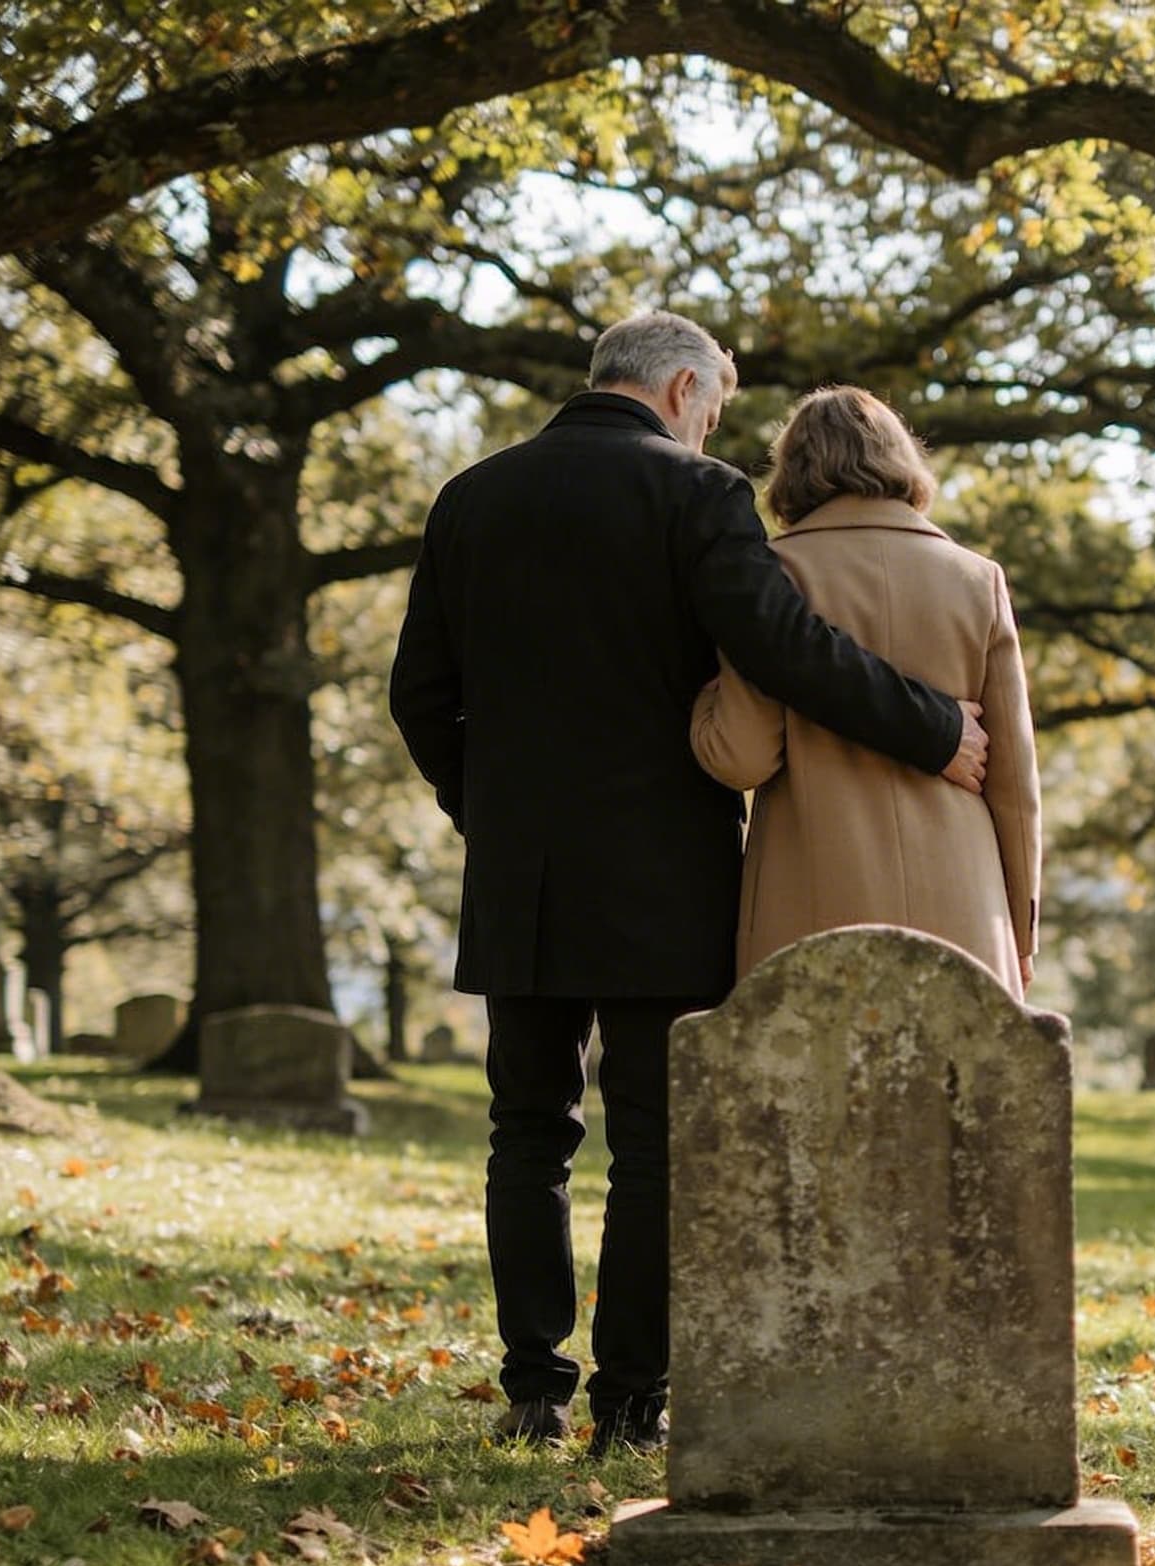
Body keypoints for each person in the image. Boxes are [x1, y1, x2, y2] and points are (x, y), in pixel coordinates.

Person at [388, 314, 990, 1458]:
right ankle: (630, 1398)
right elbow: (786, 648)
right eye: (712, 406)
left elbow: (420, 692)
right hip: (667, 874)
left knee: (527, 1133)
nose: (714, 426)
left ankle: (532, 1385)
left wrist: (493, 811)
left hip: (522, 876)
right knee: (656, 1146)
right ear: (678, 388)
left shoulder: (473, 495)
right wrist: (931, 729)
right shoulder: (698, 494)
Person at [693, 386, 1040, 998]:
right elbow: (1014, 785)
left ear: (792, 470)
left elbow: (738, 755)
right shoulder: (978, 579)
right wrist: (1020, 933)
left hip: (811, 896)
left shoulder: (771, 576)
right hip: (965, 902)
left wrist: (700, 701)